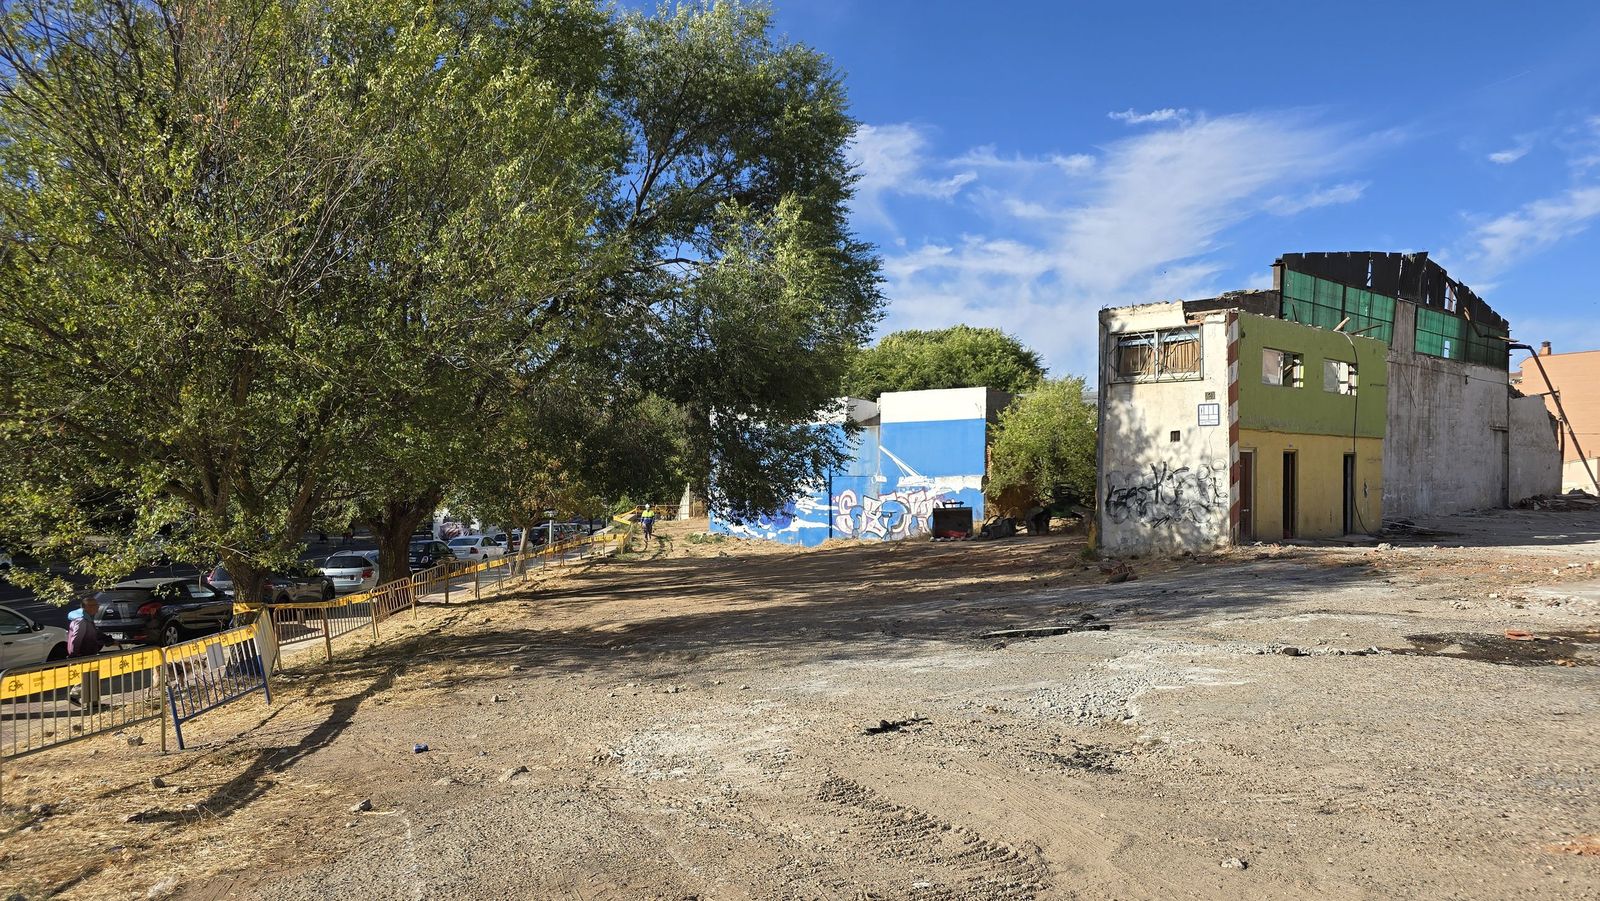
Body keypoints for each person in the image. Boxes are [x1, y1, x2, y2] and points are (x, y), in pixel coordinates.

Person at [66, 597, 105, 708]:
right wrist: (74, 655)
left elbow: (95, 634)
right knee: (86, 677)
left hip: (88, 652)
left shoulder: (87, 619)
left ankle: (93, 703)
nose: (97, 607)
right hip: (83, 654)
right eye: (95, 605)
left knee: (92, 677)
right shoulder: (81, 620)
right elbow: (76, 639)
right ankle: (74, 695)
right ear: (87, 607)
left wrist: (109, 640)